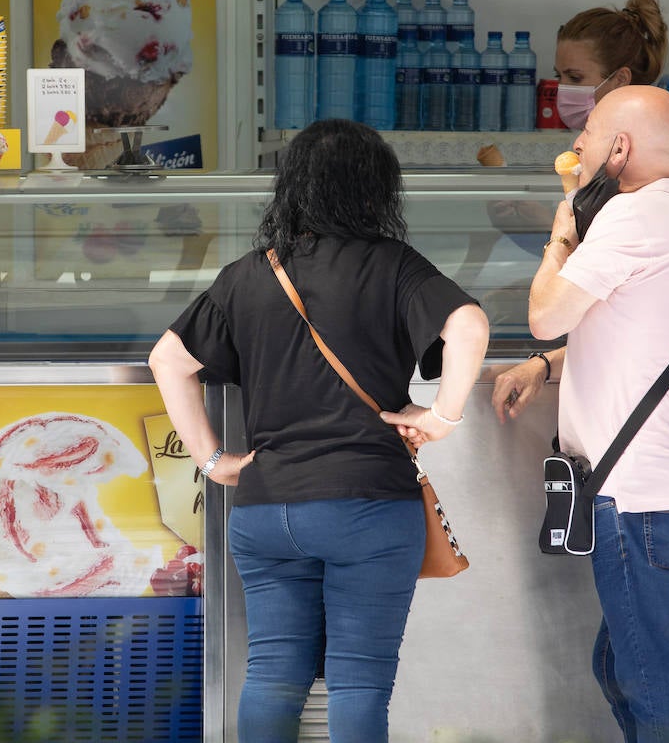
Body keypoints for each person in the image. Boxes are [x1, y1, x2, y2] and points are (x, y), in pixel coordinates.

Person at [149, 119, 489, 743]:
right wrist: (439, 417)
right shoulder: (393, 266)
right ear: (377, 190)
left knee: (274, 674)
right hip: (367, 505)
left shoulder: (249, 273)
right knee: (358, 682)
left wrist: (213, 460)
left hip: (265, 509)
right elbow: (467, 325)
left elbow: (168, 359)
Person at [490, 86, 669, 743]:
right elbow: (627, 339)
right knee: (617, 665)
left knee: (651, 680)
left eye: (588, 133)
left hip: (638, 505)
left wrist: (560, 234)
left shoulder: (631, 218)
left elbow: (544, 315)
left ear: (620, 148)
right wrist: (544, 369)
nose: (576, 145)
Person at [555, 0, 669, 129]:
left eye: (575, 77)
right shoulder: (590, 140)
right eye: (558, 76)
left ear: (620, 79)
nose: (562, 89)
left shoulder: (642, 146)